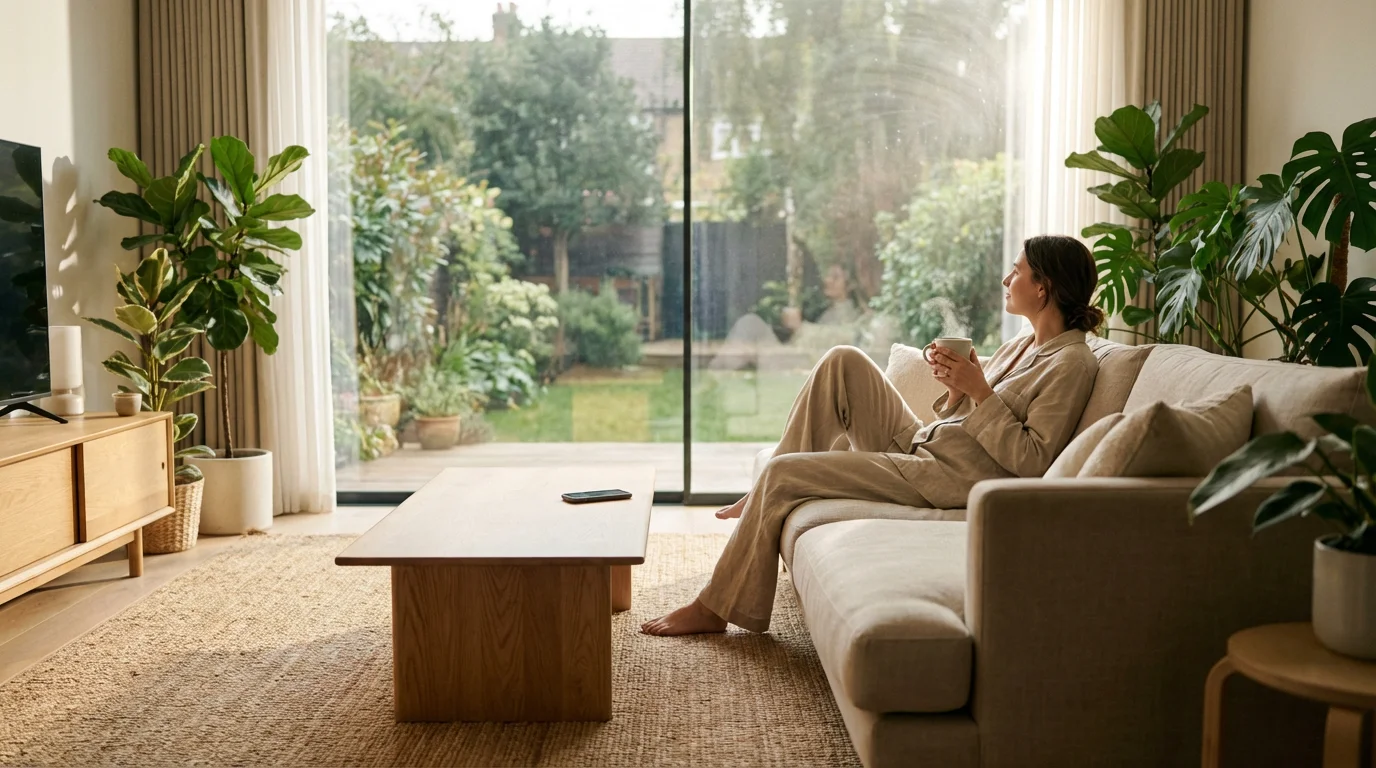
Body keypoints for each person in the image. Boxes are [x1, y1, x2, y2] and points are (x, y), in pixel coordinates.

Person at [642, 234, 1104, 636]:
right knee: (844, 360)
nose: (1007, 279)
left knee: (784, 474)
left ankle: (713, 608)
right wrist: (957, 387)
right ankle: (762, 489)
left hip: (946, 479)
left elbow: (1032, 459)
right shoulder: (1022, 344)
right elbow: (974, 414)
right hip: (929, 446)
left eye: (1017, 271)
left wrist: (980, 392)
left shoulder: (1072, 363)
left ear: (1042, 288)